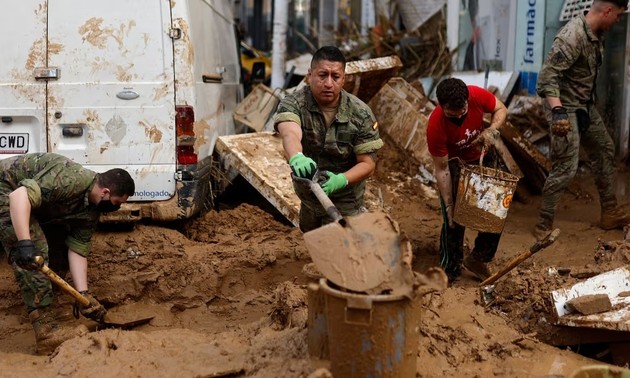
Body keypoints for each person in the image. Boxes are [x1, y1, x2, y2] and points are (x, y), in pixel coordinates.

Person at [0, 153, 135, 354]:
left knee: (59, 252)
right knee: (36, 253)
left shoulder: (91, 211)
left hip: (31, 204)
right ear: (105, 192)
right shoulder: (72, 180)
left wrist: (84, 295)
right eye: (117, 202)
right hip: (6, 188)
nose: (118, 207)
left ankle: (44, 310)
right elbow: (18, 196)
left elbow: (78, 250)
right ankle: (46, 331)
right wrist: (25, 243)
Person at [533, 0, 630, 240]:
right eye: (618, 15)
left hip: (584, 106)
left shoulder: (596, 34)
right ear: (607, 10)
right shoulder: (571, 36)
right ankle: (543, 225)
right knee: (567, 166)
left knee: (605, 148)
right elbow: (546, 80)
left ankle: (609, 211)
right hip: (563, 107)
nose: (618, 20)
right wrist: (558, 112)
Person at [273, 46, 384, 232]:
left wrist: (341, 180)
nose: (328, 83)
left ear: (344, 79)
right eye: (322, 75)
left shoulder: (361, 114)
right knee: (314, 246)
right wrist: (296, 157)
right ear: (309, 75)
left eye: (335, 76)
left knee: (344, 251)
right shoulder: (294, 103)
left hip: (346, 199)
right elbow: (289, 132)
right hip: (309, 197)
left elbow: (368, 164)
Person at [426, 77, 508, 282]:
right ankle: (450, 269)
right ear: (441, 106)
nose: (460, 117)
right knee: (454, 218)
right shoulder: (435, 126)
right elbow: (442, 169)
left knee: (494, 212)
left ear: (467, 100)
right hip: (454, 165)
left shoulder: (476, 95)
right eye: (453, 115)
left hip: (482, 155)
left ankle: (479, 258)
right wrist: (449, 203)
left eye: (463, 111)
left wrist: (492, 129)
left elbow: (501, 109)